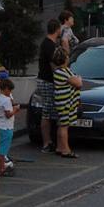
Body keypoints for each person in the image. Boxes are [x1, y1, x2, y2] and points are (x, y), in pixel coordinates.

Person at [36, 19, 61, 156]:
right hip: (47, 81)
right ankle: (47, 142)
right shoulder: (50, 45)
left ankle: (49, 141)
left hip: (44, 80)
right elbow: (54, 66)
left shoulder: (47, 43)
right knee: (47, 111)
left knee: (49, 110)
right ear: (57, 29)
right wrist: (61, 78)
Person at [52, 48, 83, 158]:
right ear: (65, 58)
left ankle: (59, 147)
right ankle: (66, 150)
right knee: (64, 126)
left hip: (67, 101)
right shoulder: (61, 72)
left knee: (62, 125)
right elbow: (78, 83)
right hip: (64, 103)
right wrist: (78, 78)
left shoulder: (64, 70)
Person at [0, 78, 19, 176]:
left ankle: (0, 166)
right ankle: (2, 168)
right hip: (6, 127)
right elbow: (8, 114)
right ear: (5, 89)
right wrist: (16, 110)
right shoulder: (6, 100)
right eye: (9, 90)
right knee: (3, 150)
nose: (10, 92)